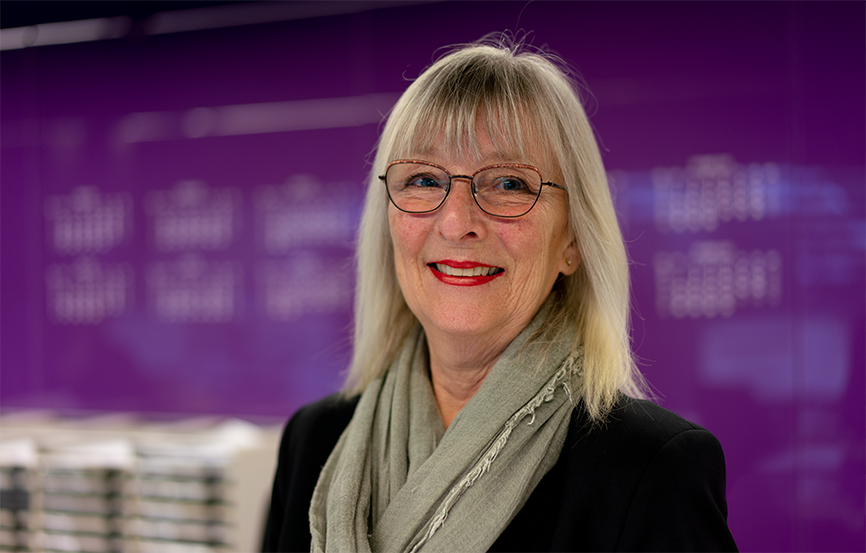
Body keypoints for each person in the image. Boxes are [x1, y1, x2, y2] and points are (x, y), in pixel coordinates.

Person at [262, 36, 739, 553]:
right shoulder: (313, 441)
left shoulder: (654, 468)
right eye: (423, 179)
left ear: (572, 241)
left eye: (509, 183)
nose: (456, 222)